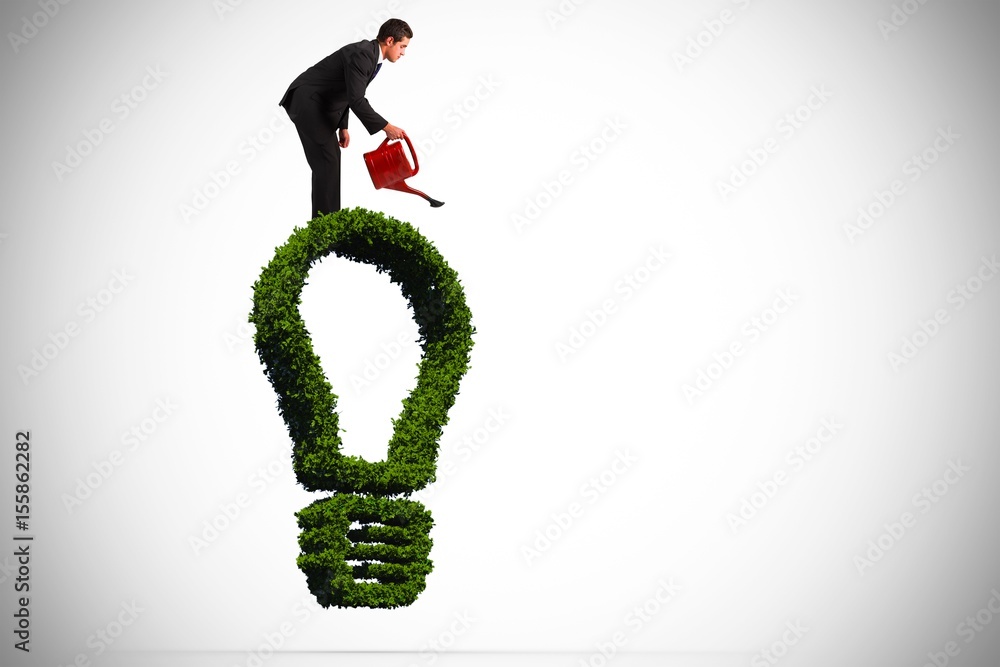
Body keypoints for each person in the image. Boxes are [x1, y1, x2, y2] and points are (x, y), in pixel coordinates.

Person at [279, 18, 411, 217]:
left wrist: (343, 126)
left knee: (330, 162)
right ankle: (325, 229)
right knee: (327, 162)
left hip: (319, 105)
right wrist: (387, 127)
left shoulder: (371, 56)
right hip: (307, 101)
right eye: (402, 46)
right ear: (390, 40)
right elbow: (357, 99)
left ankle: (330, 224)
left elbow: (347, 91)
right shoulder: (363, 55)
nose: (403, 53)